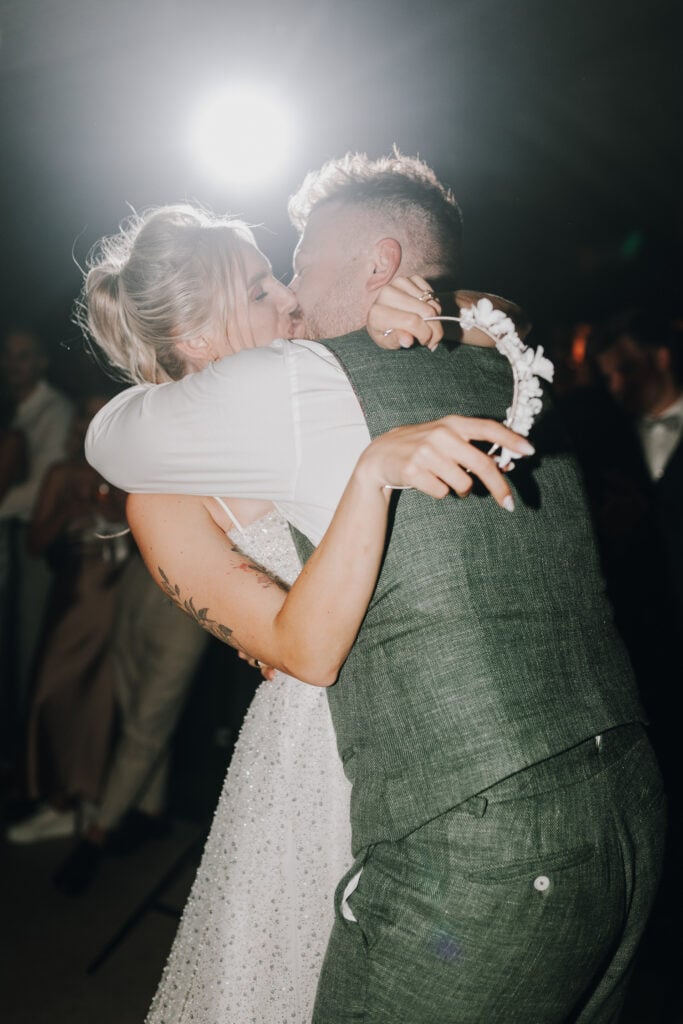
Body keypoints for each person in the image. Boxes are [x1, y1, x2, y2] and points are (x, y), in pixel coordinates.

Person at [85, 154, 666, 1023]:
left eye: (283, 275)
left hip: (441, 740)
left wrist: (444, 306)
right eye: (256, 290)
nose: (285, 297)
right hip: (320, 745)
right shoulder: (165, 493)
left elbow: (503, 320)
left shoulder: (334, 372)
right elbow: (293, 646)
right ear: (199, 338)